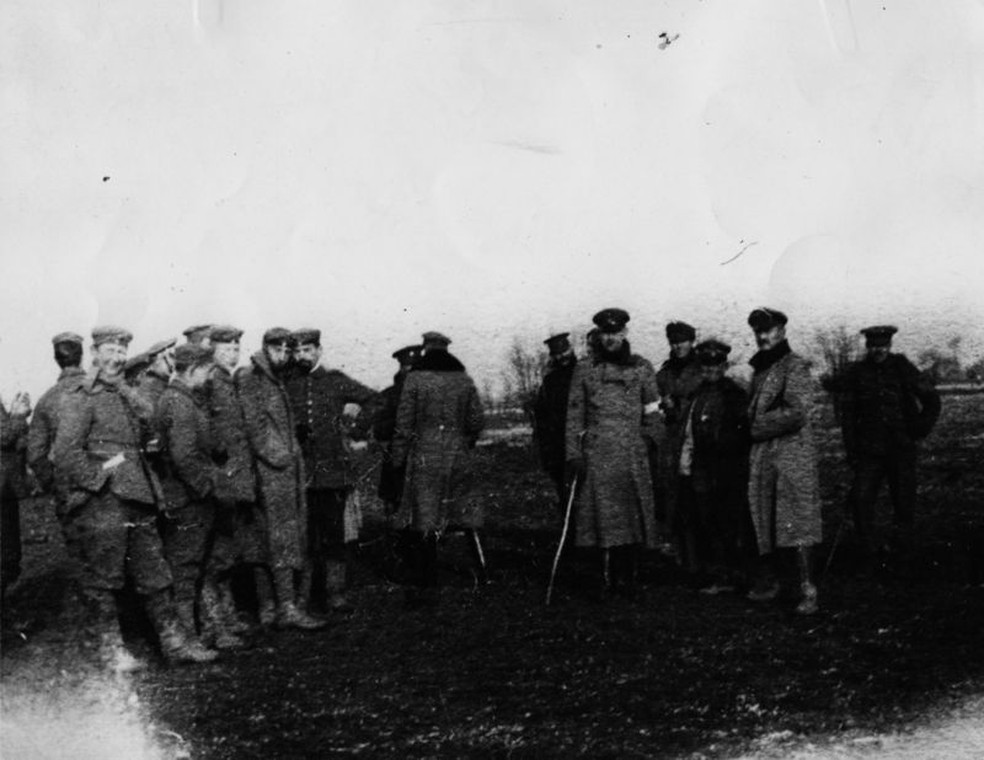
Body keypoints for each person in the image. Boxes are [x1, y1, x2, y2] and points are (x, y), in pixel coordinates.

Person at [52, 326, 217, 669]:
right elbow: (65, 452)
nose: (117, 358)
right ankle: (111, 652)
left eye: (121, 352)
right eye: (110, 351)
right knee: (105, 579)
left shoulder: (126, 394)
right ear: (95, 354)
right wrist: (97, 480)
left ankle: (175, 644)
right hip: (104, 503)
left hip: (139, 496)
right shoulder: (81, 397)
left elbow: (146, 434)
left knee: (155, 574)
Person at [564, 308, 662, 598]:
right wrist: (574, 454)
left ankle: (629, 577)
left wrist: (649, 442)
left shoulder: (642, 368)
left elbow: (653, 411)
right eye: (606, 333)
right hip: (597, 454)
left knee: (631, 517)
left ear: (624, 333)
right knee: (602, 519)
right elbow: (574, 414)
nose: (610, 339)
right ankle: (604, 579)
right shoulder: (585, 368)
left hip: (632, 454)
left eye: (616, 333)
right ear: (599, 335)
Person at [157, 344, 247, 650]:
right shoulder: (179, 403)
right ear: (193, 370)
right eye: (207, 371)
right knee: (185, 571)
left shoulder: (184, 399)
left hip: (192, 498)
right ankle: (187, 641)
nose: (210, 377)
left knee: (201, 566)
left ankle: (208, 631)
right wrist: (208, 489)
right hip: (188, 502)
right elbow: (185, 458)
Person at [238, 328, 325, 630]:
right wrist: (281, 458)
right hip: (271, 473)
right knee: (278, 539)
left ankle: (273, 608)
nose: (285, 356)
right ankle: (281, 607)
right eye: (279, 350)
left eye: (288, 351)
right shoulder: (252, 378)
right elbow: (255, 427)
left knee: (274, 539)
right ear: (266, 348)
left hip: (281, 472)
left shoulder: (273, 379)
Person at [286, 327, 377, 613]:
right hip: (300, 473)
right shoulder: (287, 384)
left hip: (332, 472)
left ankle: (335, 592)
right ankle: (305, 594)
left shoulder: (334, 380)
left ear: (318, 351)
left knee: (334, 534)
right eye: (297, 351)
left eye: (307, 350)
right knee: (305, 535)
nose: (301, 356)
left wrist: (356, 429)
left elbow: (375, 400)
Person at [392, 331, 485, 607]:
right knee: (464, 515)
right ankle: (481, 570)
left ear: (425, 349)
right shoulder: (464, 379)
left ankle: (426, 580)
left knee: (424, 516)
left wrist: (398, 459)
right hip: (458, 455)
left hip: (425, 455)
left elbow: (404, 424)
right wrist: (463, 442)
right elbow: (476, 420)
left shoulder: (415, 379)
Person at [745, 308, 823, 615]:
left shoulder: (795, 366)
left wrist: (754, 426)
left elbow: (796, 412)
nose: (763, 337)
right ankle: (774, 583)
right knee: (766, 520)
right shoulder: (761, 369)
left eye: (769, 330)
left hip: (792, 457)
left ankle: (808, 589)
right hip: (765, 457)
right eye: (758, 331)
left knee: (799, 524)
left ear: (782, 331)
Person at [837, 325, 941, 552]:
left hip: (901, 449)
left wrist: (919, 429)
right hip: (868, 452)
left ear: (890, 345)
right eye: (873, 345)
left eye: (882, 345)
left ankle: (902, 551)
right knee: (861, 500)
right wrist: (852, 451)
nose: (878, 350)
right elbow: (847, 416)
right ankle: (868, 550)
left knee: (904, 502)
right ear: (867, 346)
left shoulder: (902, 367)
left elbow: (932, 399)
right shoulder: (856, 373)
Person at [673, 339, 753, 592]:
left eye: (716, 365)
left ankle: (733, 575)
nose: (711, 371)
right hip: (701, 469)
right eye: (705, 366)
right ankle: (715, 574)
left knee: (728, 521)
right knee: (705, 521)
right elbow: (688, 433)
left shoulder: (735, 394)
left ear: (724, 365)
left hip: (727, 470)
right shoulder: (696, 395)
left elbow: (742, 435)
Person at [207, 325, 271, 627]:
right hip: (224, 480)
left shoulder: (240, 380)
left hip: (245, 478)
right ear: (213, 350)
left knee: (247, 546)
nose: (232, 353)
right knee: (222, 552)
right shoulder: (208, 382)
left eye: (235, 348)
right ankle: (222, 619)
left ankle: (245, 611)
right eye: (226, 348)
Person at [655, 321, 704, 559]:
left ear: (692, 341)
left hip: (699, 442)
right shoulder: (664, 373)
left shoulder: (703, 368)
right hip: (672, 444)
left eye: (683, 341)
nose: (678, 346)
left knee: (698, 498)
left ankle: (702, 556)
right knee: (674, 499)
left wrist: (678, 404)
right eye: (674, 341)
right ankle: (681, 555)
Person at [372, 344, 422, 513]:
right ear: (401, 368)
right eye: (408, 368)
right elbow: (379, 430)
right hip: (400, 457)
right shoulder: (389, 395)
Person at [533, 332, 578, 508]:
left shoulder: (583, 374)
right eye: (557, 353)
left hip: (582, 445)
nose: (562, 356)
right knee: (566, 497)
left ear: (571, 349)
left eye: (564, 350)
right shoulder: (549, 381)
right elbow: (542, 418)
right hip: (559, 449)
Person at [1, 391, 31, 597]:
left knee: (9, 554)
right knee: (6, 554)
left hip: (5, 489)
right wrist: (19, 416)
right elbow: (4, 437)